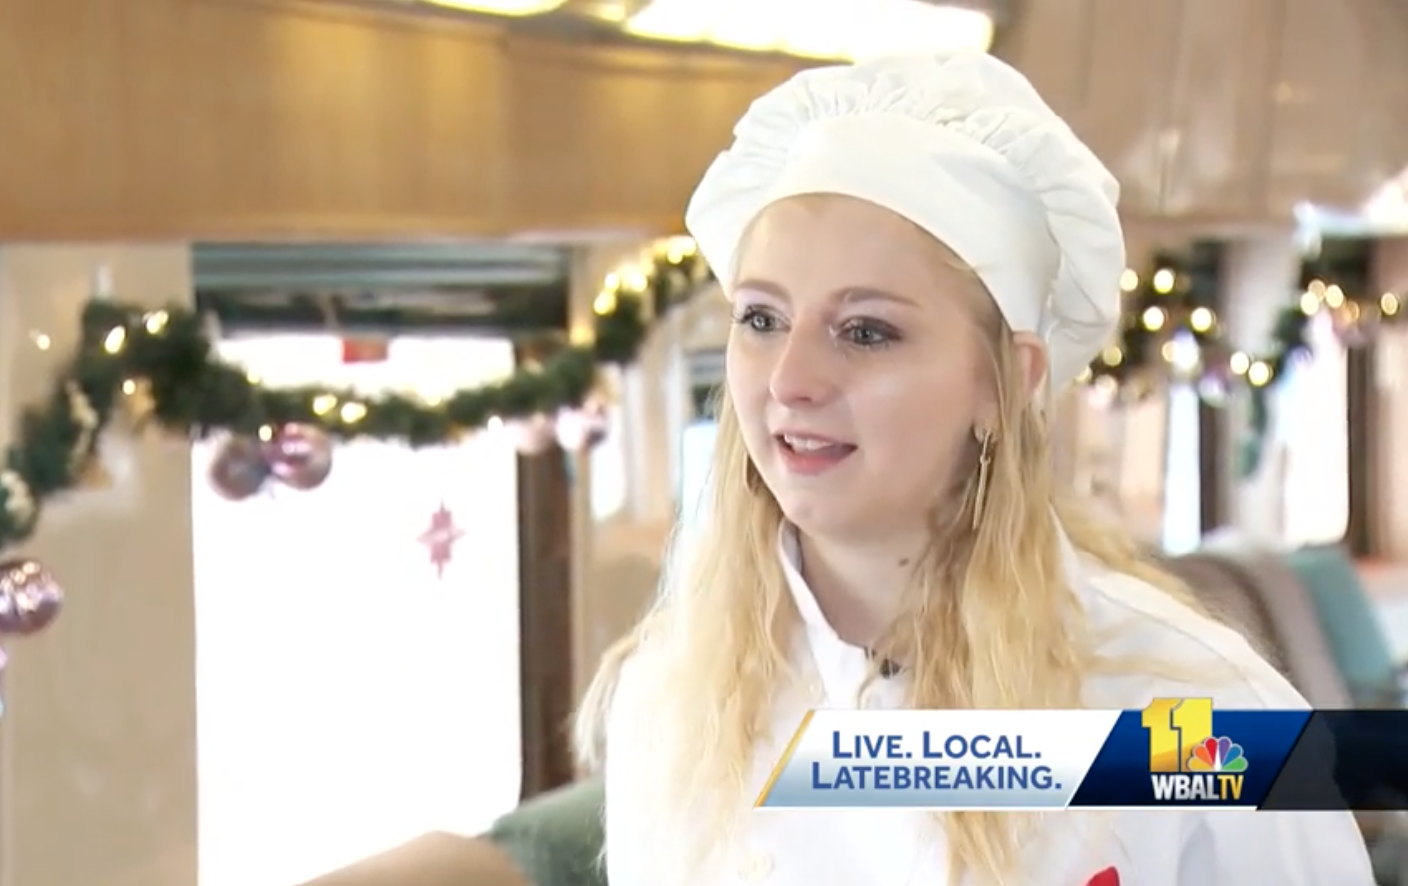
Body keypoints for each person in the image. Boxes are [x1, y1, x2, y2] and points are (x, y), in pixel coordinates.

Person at [574, 52, 1375, 886]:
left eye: (866, 331)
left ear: (1007, 382)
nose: (790, 381)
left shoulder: (1200, 714)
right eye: (762, 318)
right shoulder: (669, 701)